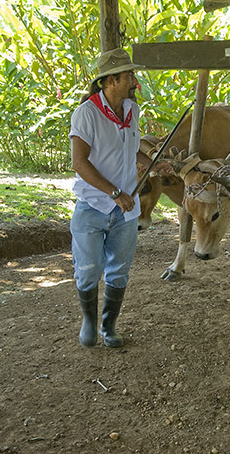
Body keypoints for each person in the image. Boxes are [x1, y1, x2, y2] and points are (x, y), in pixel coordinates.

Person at [68, 48, 172, 348]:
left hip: (126, 210)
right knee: (88, 270)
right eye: (129, 75)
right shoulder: (86, 113)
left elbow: (130, 148)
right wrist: (114, 193)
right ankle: (89, 320)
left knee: (119, 272)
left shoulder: (131, 109)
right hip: (93, 206)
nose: (134, 81)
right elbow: (80, 163)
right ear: (110, 80)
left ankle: (108, 325)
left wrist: (150, 161)